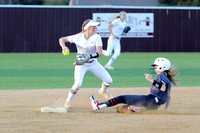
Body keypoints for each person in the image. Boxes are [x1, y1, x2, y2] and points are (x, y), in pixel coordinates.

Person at [59, 19, 114, 109]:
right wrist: (64, 46)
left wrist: (89, 56)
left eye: (96, 26)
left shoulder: (97, 37)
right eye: (93, 26)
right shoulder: (78, 37)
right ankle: (68, 101)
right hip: (81, 64)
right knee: (77, 85)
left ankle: (103, 91)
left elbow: (99, 53)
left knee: (109, 81)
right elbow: (62, 39)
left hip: (93, 63)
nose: (96, 28)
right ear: (87, 28)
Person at [90, 57, 178, 112]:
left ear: (161, 67)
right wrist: (165, 109)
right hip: (154, 106)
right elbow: (168, 96)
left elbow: (162, 88)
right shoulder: (166, 79)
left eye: (155, 66)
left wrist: (151, 80)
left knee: (121, 98)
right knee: (123, 108)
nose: (154, 68)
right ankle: (138, 108)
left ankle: (98, 106)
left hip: (150, 100)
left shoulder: (160, 76)